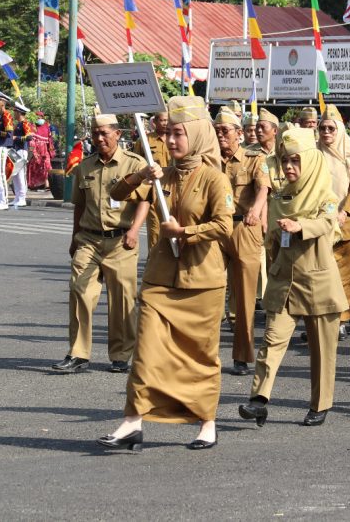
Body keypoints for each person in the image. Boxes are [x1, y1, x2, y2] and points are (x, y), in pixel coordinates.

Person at [97, 98, 232, 451]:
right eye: (168, 134)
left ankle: (207, 423)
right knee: (146, 351)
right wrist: (142, 173)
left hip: (202, 282)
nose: (171, 141)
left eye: (178, 134)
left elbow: (224, 226)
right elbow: (116, 194)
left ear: (198, 136)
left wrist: (185, 233)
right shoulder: (162, 174)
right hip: (160, 278)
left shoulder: (215, 178)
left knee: (200, 355)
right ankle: (132, 422)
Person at [238, 127, 348, 428]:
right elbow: (272, 240)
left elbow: (327, 222)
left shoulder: (324, 194)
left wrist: (301, 227)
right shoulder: (279, 198)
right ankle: (259, 400)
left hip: (317, 282)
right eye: (285, 160)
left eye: (296, 161)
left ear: (310, 162)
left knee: (322, 350)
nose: (289, 167)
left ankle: (320, 404)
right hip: (284, 280)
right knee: (271, 341)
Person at [53, 114, 150, 375]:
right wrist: (74, 237)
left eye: (104, 133)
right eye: (95, 133)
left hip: (121, 241)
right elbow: (79, 205)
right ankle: (78, 353)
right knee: (80, 292)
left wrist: (134, 230)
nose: (99, 138)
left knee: (122, 299)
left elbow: (145, 200)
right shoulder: (85, 166)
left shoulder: (135, 163)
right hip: (89, 239)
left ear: (118, 134)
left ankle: (120, 355)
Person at [214, 108, 270, 376]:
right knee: (208, 288)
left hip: (244, 227)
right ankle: (203, 351)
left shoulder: (254, 158)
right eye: (217, 131)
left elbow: (263, 187)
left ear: (239, 133)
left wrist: (256, 210)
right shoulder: (208, 159)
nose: (221, 135)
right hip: (215, 228)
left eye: (225, 130)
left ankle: (241, 356)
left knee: (246, 295)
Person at [318, 105, 350, 337]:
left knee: (346, 273)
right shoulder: (314, 154)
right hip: (321, 221)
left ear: (340, 131)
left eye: (331, 129)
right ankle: (328, 318)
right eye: (322, 128)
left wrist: (344, 211)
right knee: (325, 272)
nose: (326, 132)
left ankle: (345, 316)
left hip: (347, 221)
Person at [144, 111, 172, 252]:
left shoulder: (175, 138)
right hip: (154, 189)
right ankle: (154, 259)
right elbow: (138, 164)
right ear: (155, 122)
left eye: (168, 120)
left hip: (173, 188)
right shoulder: (145, 140)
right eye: (162, 120)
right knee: (155, 228)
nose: (165, 123)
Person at [10, 103, 33, 207]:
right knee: (14, 175)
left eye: (15, 112)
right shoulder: (18, 124)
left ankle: (22, 198)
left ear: (19, 112)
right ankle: (17, 197)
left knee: (20, 175)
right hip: (16, 150)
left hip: (22, 150)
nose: (14, 114)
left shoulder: (25, 123)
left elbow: (29, 137)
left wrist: (17, 138)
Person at [27, 112, 55, 190]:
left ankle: (47, 184)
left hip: (45, 150)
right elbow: (31, 141)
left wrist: (51, 151)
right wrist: (31, 152)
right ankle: (34, 185)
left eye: (41, 117)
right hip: (36, 149)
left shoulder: (46, 126)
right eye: (38, 117)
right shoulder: (33, 126)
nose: (39, 118)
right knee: (34, 166)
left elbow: (50, 140)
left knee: (47, 166)